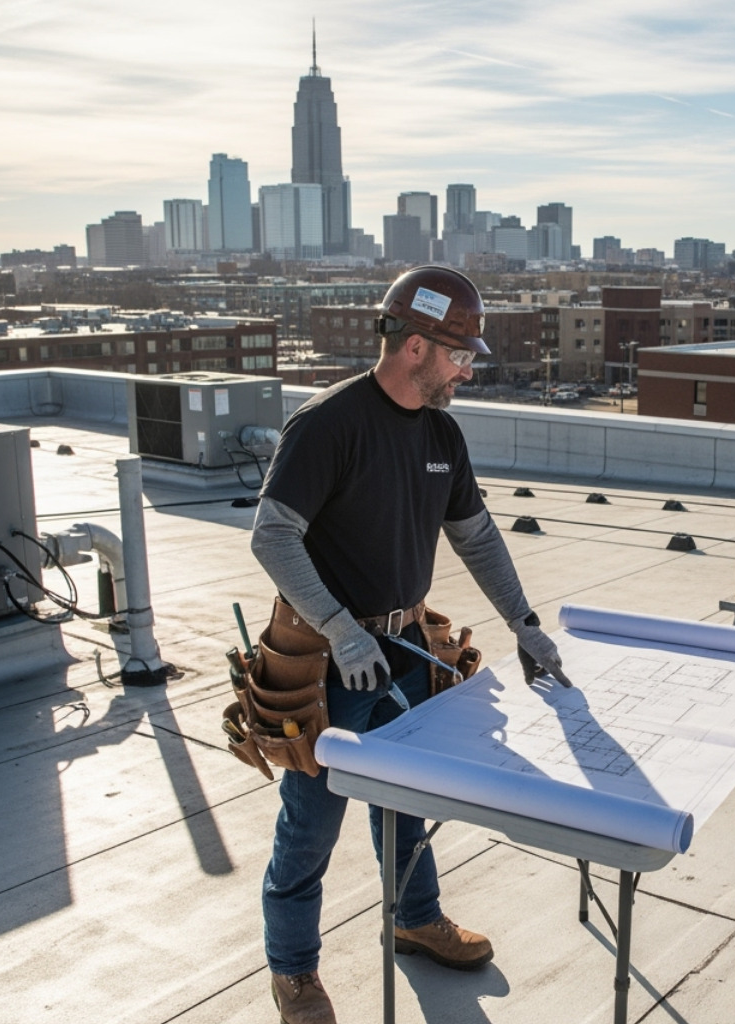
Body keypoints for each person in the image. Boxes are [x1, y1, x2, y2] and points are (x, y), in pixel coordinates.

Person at [249, 265, 572, 1024]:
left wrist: (525, 624)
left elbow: (478, 539)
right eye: (461, 354)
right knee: (310, 822)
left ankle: (414, 918)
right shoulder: (329, 423)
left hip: (404, 649)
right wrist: (336, 627)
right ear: (417, 346)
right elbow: (273, 535)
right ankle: (293, 971)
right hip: (328, 662)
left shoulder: (440, 433)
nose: (468, 368)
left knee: (408, 802)